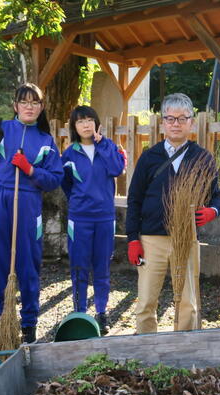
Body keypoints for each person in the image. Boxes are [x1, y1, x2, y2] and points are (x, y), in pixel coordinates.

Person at [0, 83, 63, 344]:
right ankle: (3, 317)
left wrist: (31, 170)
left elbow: (55, 179)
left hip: (28, 202)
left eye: (35, 102)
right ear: (15, 106)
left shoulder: (46, 140)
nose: (29, 107)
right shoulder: (1, 130)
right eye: (24, 102)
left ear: (41, 107)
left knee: (28, 262)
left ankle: (30, 321)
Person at [125, 93, 220, 334]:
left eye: (182, 118)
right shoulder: (149, 157)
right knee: (146, 300)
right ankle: (147, 349)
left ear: (191, 122)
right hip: (151, 238)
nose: (176, 123)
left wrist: (213, 210)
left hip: (187, 238)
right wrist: (133, 239)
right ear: (163, 122)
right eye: (170, 118)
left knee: (188, 301)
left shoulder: (203, 157)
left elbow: (216, 195)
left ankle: (185, 346)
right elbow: (135, 199)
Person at [60, 106, 126, 334]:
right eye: (80, 121)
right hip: (79, 218)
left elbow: (118, 168)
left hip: (105, 217)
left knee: (102, 266)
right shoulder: (69, 154)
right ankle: (80, 312)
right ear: (74, 127)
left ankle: (101, 311)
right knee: (79, 266)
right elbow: (66, 184)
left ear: (97, 123)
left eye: (90, 120)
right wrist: (79, 201)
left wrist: (103, 144)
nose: (86, 125)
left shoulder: (109, 147)